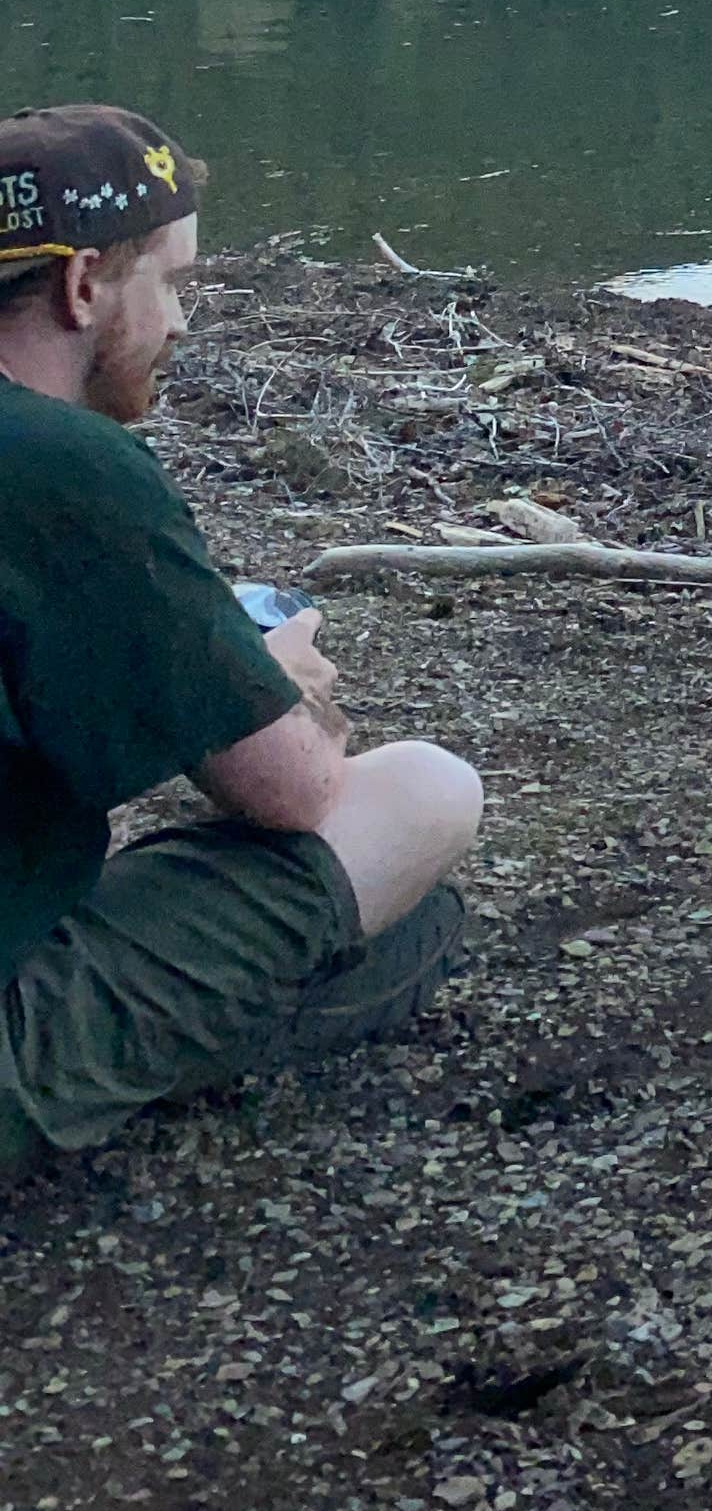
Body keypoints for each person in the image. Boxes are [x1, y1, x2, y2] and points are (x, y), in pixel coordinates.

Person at [0, 105, 483, 1167]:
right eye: (170, 284)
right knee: (427, 800)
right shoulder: (63, 465)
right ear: (84, 287)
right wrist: (276, 678)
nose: (179, 323)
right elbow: (292, 792)